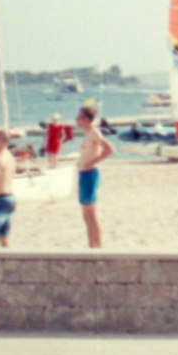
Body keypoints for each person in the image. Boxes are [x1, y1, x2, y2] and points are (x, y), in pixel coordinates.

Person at [76, 101, 113, 249]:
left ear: (86, 119)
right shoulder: (87, 133)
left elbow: (109, 149)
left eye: (79, 117)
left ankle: (98, 246)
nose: (76, 120)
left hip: (89, 174)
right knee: (86, 214)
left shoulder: (94, 132)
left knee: (91, 214)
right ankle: (91, 244)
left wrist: (91, 162)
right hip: (84, 174)